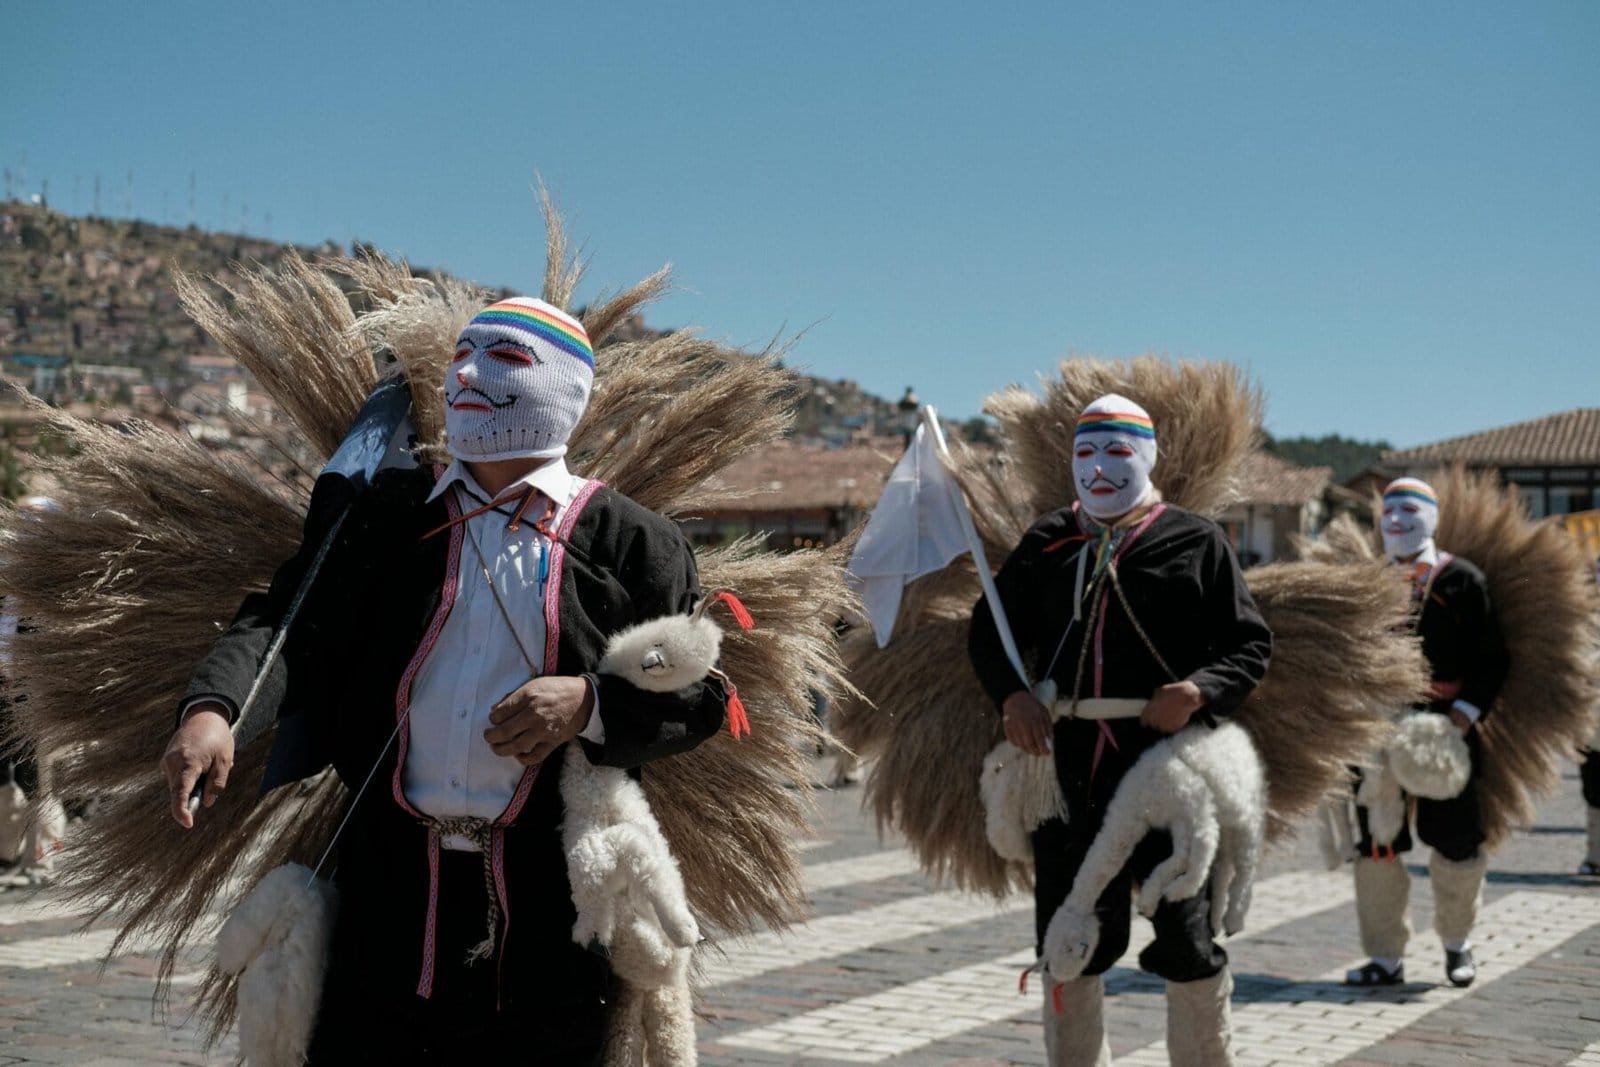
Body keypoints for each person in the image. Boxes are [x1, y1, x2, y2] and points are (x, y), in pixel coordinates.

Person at [159, 297, 727, 1064]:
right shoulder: (388, 518)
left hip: (551, 917)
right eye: (460, 356)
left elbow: (700, 695)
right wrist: (215, 709)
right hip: (386, 897)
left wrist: (590, 703)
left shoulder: (633, 543)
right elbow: (291, 623)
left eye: (501, 360)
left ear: (562, 390)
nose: (463, 374)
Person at [968, 394, 1272, 1067]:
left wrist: (1197, 692)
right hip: (1065, 766)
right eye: (1086, 451)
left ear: (1148, 456)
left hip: (1168, 768)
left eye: (1117, 451)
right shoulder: (1046, 541)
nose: (1100, 467)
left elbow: (1249, 645)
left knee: (1187, 938)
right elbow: (988, 630)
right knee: (1068, 940)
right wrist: (1012, 695)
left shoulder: (1196, 541)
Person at [1344, 476, 1508, 989]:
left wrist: (1461, 716)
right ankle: (1385, 957)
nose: (1396, 521)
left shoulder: (1463, 580)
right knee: (1376, 844)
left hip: (1443, 731)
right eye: (1388, 513)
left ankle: (1458, 945)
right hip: (1379, 729)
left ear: (1431, 519)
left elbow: (1493, 658)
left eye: (1409, 511)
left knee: (1457, 840)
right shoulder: (1364, 583)